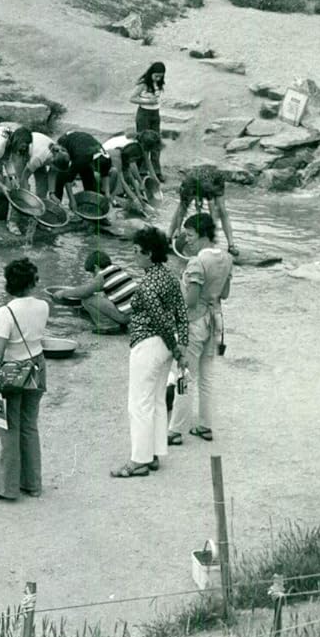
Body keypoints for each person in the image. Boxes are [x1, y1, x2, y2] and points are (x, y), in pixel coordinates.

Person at [113, 228, 187, 478]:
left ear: (149, 254)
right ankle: (153, 453)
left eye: (137, 252)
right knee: (155, 400)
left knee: (139, 403)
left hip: (148, 344)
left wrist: (177, 348)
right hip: (166, 346)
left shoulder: (146, 284)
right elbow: (181, 314)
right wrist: (180, 346)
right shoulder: (169, 277)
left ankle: (139, 460)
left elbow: (159, 320)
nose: (134, 256)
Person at [0, 259, 49, 501]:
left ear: (9, 284)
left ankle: (6, 488)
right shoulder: (43, 306)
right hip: (36, 368)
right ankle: (32, 484)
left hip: (12, 374)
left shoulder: (6, 312)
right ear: (33, 282)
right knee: (29, 426)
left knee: (8, 429)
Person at [168, 214, 233, 445]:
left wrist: (179, 285)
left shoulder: (196, 262)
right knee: (206, 377)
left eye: (190, 235)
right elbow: (225, 294)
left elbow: (191, 300)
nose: (187, 241)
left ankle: (175, 430)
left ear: (203, 235)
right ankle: (205, 425)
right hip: (215, 321)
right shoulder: (226, 258)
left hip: (194, 322)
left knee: (184, 375)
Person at [51, 249, 137, 332]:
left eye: (92, 272)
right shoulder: (117, 269)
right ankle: (118, 324)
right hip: (135, 315)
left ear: (96, 267)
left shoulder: (102, 276)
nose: (93, 275)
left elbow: (85, 292)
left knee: (87, 299)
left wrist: (63, 293)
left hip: (125, 316)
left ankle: (108, 326)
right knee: (101, 296)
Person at [167, 165, 240, 257]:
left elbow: (213, 214)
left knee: (222, 210)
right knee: (180, 208)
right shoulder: (186, 188)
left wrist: (212, 238)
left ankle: (231, 245)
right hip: (195, 179)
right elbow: (182, 210)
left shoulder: (208, 189)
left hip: (215, 180)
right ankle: (168, 237)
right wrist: (178, 230)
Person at [101, 130, 161, 211]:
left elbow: (145, 163)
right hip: (105, 158)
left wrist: (142, 188)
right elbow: (126, 173)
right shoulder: (129, 147)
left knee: (128, 177)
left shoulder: (137, 146)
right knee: (119, 179)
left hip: (115, 159)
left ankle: (122, 193)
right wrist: (135, 198)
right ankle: (113, 196)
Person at [129, 62, 166, 179]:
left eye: (160, 76)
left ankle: (156, 170)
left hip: (155, 113)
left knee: (156, 140)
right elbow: (132, 98)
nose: (158, 78)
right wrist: (148, 101)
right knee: (144, 141)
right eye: (156, 76)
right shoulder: (144, 84)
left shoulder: (159, 83)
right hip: (144, 113)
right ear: (151, 73)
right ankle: (142, 170)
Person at [54, 129, 114, 201]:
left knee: (88, 174)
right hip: (66, 140)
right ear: (93, 164)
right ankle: (57, 200)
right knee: (62, 174)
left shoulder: (107, 159)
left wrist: (107, 194)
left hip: (82, 145)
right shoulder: (81, 160)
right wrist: (72, 201)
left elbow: (105, 174)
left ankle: (89, 199)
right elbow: (68, 181)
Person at [22, 132, 71, 199]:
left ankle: (40, 203)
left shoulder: (58, 155)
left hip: (39, 147)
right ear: (52, 163)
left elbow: (52, 174)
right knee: (21, 182)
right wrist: (26, 191)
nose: (55, 171)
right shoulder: (39, 158)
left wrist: (52, 193)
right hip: (24, 148)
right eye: (55, 169)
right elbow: (25, 176)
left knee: (43, 184)